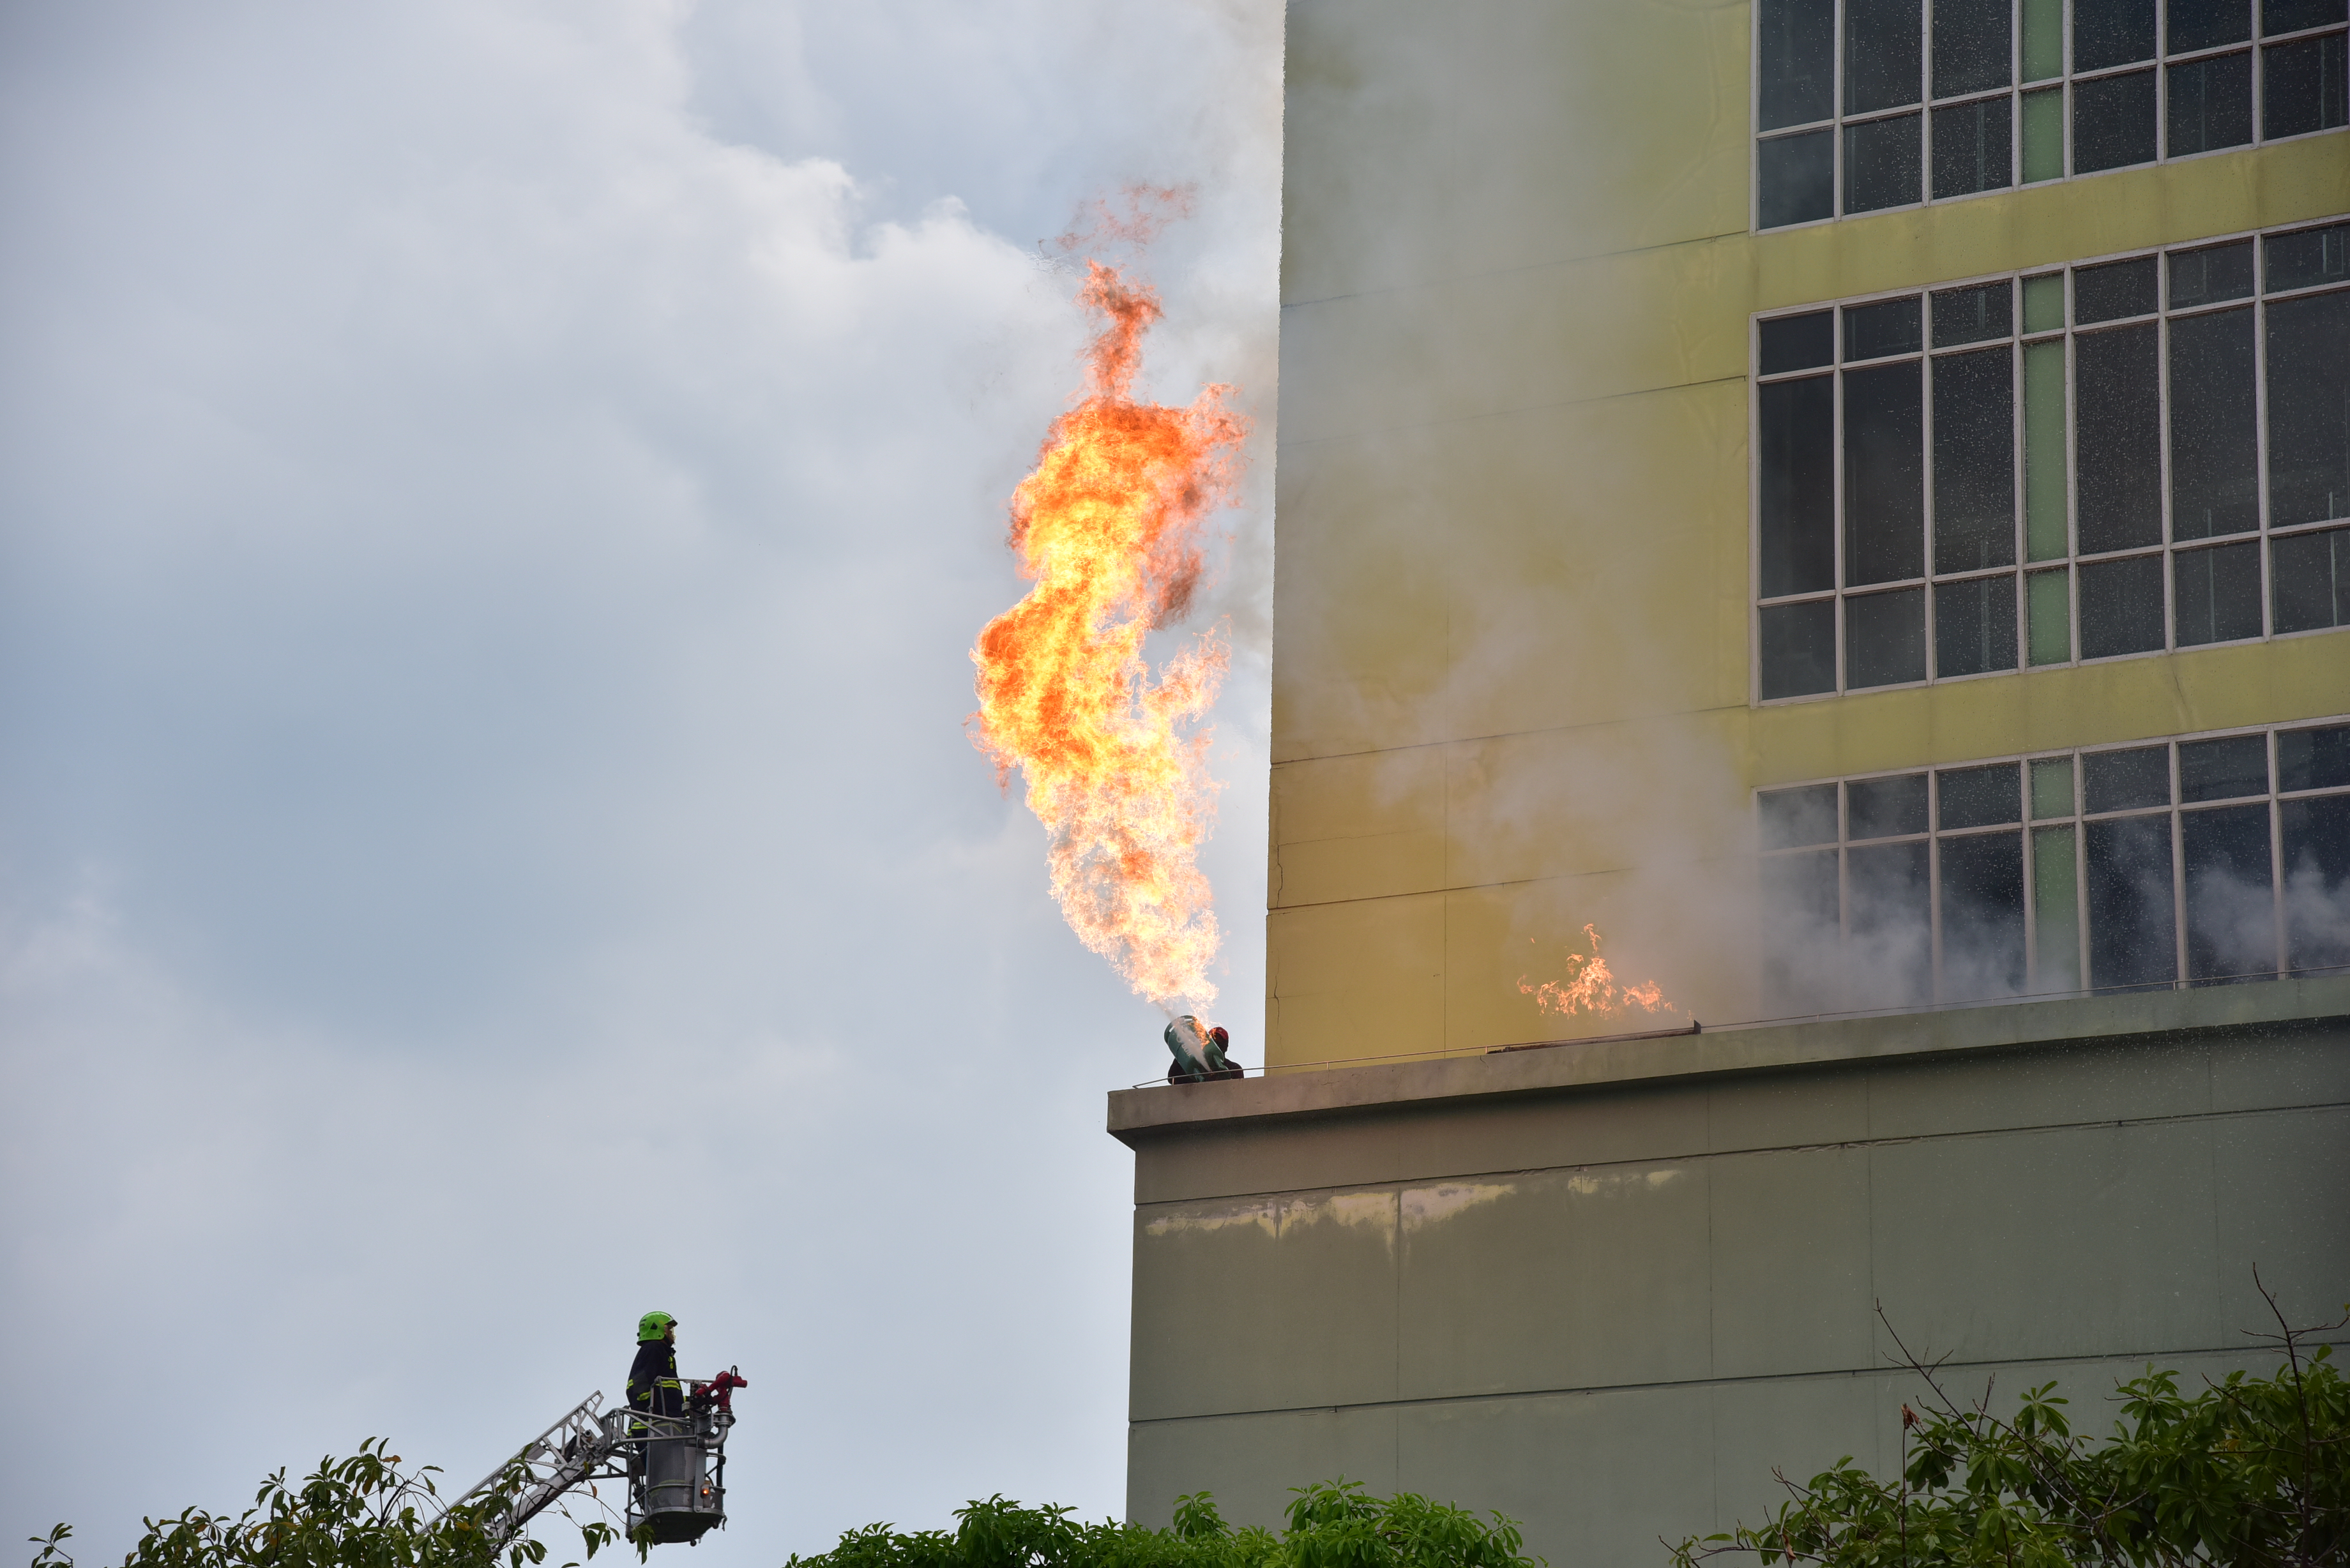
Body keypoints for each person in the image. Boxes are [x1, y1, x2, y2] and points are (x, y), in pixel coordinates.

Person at [627, 1311, 683, 1435]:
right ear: (657, 1329)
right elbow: (640, 1386)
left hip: (661, 1425)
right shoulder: (654, 1348)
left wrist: (688, 1403)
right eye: (669, 1329)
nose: (671, 1333)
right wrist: (651, 1409)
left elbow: (668, 1394)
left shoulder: (662, 1352)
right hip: (655, 1426)